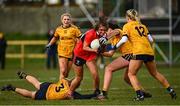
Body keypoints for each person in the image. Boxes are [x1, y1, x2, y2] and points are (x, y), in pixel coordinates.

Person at [114, 9, 177, 101]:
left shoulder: (127, 26)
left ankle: (140, 95)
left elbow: (124, 40)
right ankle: (171, 90)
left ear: (127, 17)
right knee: (155, 73)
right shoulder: (142, 26)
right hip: (149, 51)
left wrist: (114, 46)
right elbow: (151, 40)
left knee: (131, 74)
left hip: (138, 51)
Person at [97, 23, 151, 100]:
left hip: (131, 54)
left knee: (108, 68)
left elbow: (115, 31)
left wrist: (105, 37)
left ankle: (104, 94)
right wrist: (99, 52)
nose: (106, 32)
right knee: (126, 78)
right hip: (133, 55)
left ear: (111, 29)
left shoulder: (118, 31)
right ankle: (143, 92)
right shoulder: (114, 39)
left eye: (107, 30)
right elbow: (110, 54)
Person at [69, 20, 109, 98]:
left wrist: (103, 47)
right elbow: (85, 47)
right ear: (97, 29)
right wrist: (95, 50)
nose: (103, 31)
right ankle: (69, 93)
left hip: (89, 56)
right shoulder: (91, 34)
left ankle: (97, 92)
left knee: (95, 74)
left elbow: (103, 49)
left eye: (104, 30)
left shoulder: (104, 36)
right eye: (101, 30)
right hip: (79, 54)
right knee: (79, 78)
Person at [1, 71, 96, 100]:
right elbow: (83, 97)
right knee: (30, 94)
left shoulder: (65, 81)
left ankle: (24, 75)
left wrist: (74, 79)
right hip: (46, 95)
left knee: (36, 83)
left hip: (48, 86)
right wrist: (94, 95)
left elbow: (69, 79)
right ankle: (12, 88)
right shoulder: (70, 93)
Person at [46, 13, 81, 79]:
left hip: (72, 53)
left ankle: (62, 86)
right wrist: (50, 44)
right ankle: (60, 87)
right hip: (62, 52)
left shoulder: (75, 29)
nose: (66, 21)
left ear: (70, 20)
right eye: (64, 19)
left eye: (68, 19)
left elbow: (79, 39)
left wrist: (79, 46)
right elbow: (55, 38)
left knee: (66, 73)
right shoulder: (58, 29)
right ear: (62, 20)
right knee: (63, 71)